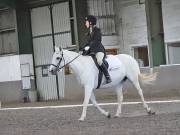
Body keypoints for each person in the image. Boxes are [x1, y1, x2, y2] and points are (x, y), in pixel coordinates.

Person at [83, 15, 112, 84]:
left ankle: (108, 77)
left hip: (98, 50)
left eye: (86, 22)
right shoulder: (89, 32)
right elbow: (88, 42)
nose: (85, 23)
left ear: (90, 22)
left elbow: (97, 41)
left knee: (99, 61)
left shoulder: (97, 30)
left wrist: (89, 46)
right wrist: (84, 47)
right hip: (92, 51)